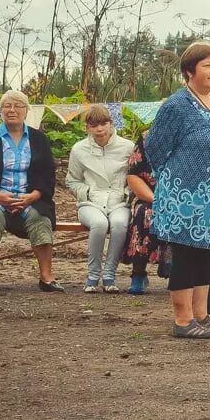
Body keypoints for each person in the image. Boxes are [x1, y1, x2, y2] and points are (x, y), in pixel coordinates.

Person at [146, 41, 210, 338]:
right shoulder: (176, 106)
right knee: (187, 256)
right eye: (207, 65)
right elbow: (154, 147)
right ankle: (183, 320)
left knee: (206, 255)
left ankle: (201, 316)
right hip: (187, 197)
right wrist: (177, 177)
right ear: (189, 71)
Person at [0, 90, 62, 293]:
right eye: (7, 106)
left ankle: (46, 277)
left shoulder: (39, 139)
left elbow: (48, 174)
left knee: (41, 220)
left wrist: (34, 196)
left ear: (26, 111)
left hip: (30, 199)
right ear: (0, 111)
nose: (12, 110)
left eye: (18, 106)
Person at [66, 104, 134, 293]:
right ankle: (93, 275)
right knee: (99, 224)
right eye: (94, 125)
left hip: (119, 201)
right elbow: (72, 180)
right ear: (87, 127)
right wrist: (87, 193)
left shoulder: (127, 147)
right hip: (90, 203)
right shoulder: (79, 149)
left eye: (104, 123)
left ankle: (110, 275)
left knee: (120, 224)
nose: (99, 129)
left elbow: (136, 175)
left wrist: (126, 194)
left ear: (112, 124)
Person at [122, 130, 171, 295]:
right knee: (146, 213)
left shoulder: (191, 137)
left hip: (182, 198)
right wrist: (157, 200)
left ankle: (176, 272)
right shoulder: (146, 137)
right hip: (149, 196)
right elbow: (133, 176)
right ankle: (138, 273)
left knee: (182, 215)